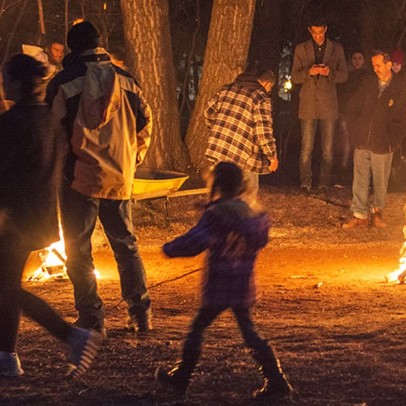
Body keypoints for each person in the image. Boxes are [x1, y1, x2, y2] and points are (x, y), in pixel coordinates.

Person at [46, 20, 153, 336]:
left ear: (72, 48)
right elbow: (145, 125)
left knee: (78, 247)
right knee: (126, 244)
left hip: (77, 177)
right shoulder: (127, 81)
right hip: (118, 175)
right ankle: (140, 313)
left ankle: (91, 318)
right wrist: (132, 160)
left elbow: (51, 132)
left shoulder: (63, 82)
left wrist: (57, 168)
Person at [0, 54, 101, 379]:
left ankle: (71, 335)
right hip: (36, 217)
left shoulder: (13, 123)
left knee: (7, 289)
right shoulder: (47, 119)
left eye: (6, 77)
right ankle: (7, 357)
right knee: (7, 286)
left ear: (17, 81)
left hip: (11, 219)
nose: (2, 83)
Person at [156, 162, 293, 400]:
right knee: (250, 334)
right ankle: (277, 381)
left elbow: (195, 241)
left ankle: (181, 378)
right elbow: (260, 240)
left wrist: (170, 248)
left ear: (218, 184)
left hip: (219, 285)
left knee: (197, 329)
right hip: (242, 285)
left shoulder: (216, 214)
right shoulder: (252, 214)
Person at [341, 50, 406, 229]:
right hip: (362, 140)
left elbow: (403, 119)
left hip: (383, 143)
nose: (376, 69)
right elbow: (353, 107)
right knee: (360, 178)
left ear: (389, 65)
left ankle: (377, 212)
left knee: (380, 180)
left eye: (378, 65)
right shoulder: (367, 83)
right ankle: (359, 215)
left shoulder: (401, 86)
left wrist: (392, 140)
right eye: (373, 66)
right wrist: (355, 130)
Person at [291, 15, 348, 192]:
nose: (318, 36)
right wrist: (309, 71)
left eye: (320, 32)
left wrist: (329, 73)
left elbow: (344, 75)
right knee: (306, 146)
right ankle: (305, 182)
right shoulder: (301, 49)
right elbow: (294, 77)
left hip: (329, 105)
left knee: (328, 148)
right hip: (308, 104)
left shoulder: (336, 49)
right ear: (310, 31)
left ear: (325, 29)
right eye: (314, 33)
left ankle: (324, 183)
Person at [204, 67, 278, 196]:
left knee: (222, 191)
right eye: (269, 89)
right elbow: (263, 133)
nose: (268, 92)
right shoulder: (260, 98)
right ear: (267, 83)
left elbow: (208, 111)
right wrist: (272, 157)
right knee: (247, 193)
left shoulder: (226, 89)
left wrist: (218, 130)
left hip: (220, 149)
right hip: (244, 155)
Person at [334, 50, 370, 188]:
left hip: (361, 117)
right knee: (346, 146)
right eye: (354, 58)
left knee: (359, 147)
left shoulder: (367, 77)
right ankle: (342, 176)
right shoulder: (345, 76)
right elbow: (341, 95)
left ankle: (358, 179)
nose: (357, 61)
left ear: (364, 60)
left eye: (360, 58)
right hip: (345, 114)